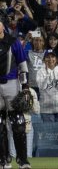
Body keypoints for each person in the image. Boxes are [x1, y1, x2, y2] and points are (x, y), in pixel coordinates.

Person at [0, 20, 30, 169]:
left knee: (18, 123)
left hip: (12, 83)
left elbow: (22, 64)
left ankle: (23, 160)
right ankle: (3, 160)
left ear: (2, 25)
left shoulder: (14, 41)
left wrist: (25, 87)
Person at [36, 49, 58, 122]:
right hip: (46, 110)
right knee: (49, 133)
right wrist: (47, 74)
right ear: (44, 59)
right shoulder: (40, 72)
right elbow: (42, 86)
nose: (50, 59)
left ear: (56, 59)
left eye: (52, 57)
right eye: (48, 57)